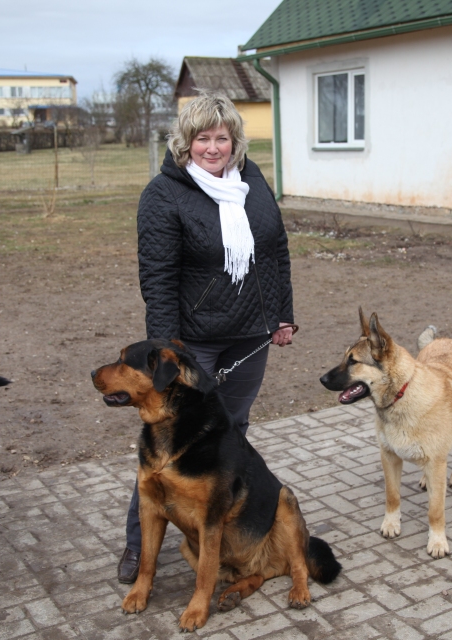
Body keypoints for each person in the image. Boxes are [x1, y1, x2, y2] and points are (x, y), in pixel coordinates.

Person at [116, 91, 295, 584]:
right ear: (185, 142)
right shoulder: (163, 194)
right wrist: (165, 354)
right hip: (194, 343)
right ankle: (137, 544)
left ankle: (225, 530)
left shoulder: (252, 181)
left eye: (222, 137)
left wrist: (282, 314)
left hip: (249, 334)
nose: (213, 148)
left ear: (235, 141)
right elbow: (157, 277)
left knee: (232, 433)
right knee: (165, 445)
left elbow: (275, 251)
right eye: (203, 138)